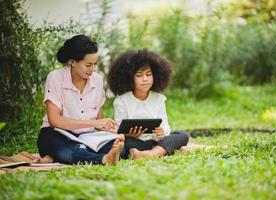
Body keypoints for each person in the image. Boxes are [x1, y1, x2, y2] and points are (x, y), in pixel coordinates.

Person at [36, 35, 124, 165]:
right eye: (88, 65)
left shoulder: (97, 80)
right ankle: (103, 159)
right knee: (65, 148)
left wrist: (113, 132)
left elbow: (99, 120)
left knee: (120, 146)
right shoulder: (55, 78)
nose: (92, 69)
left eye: (95, 64)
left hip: (86, 138)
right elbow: (54, 120)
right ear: (72, 61)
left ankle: (56, 157)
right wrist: (93, 124)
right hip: (56, 135)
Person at [107, 49, 189, 160]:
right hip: (134, 142)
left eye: (148, 74)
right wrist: (129, 135)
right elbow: (119, 130)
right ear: (129, 78)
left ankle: (150, 154)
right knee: (121, 143)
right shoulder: (121, 101)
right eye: (139, 75)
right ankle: (163, 151)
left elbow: (165, 126)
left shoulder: (159, 99)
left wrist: (161, 132)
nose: (145, 79)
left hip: (156, 141)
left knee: (182, 135)